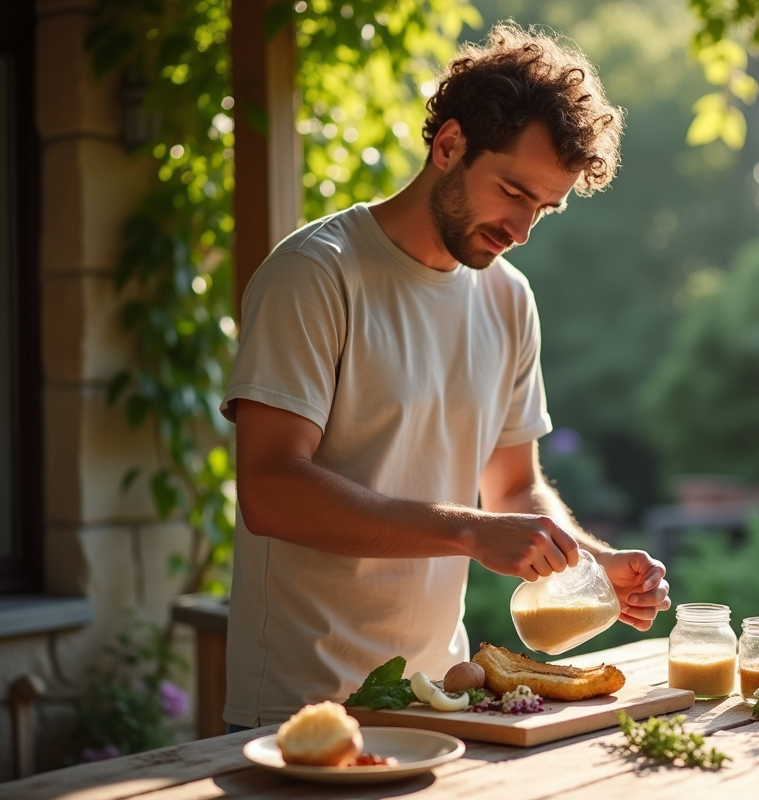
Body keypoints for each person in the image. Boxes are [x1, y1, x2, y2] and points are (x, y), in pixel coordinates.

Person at [219, 21, 672, 729]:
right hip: (299, 703)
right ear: (450, 144)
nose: (521, 229)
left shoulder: (508, 299)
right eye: (513, 192)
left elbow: (514, 488)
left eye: (543, 209)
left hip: (443, 697)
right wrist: (470, 532)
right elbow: (271, 491)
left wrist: (591, 560)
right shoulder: (315, 274)